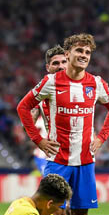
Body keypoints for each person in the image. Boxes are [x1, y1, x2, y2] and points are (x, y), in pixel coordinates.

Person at [17, 34, 109, 215]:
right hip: (58, 160)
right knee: (52, 213)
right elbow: (23, 107)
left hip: (85, 160)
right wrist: (38, 140)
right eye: (79, 51)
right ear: (68, 54)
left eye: (87, 52)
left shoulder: (96, 83)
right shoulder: (51, 82)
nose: (83, 55)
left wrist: (101, 138)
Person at [31, 45, 67, 176]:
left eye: (64, 62)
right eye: (55, 63)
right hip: (52, 155)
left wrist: (99, 139)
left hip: (80, 155)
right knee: (52, 193)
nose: (61, 66)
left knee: (80, 196)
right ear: (48, 68)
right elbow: (27, 123)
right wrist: (39, 140)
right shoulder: (41, 93)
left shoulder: (84, 85)